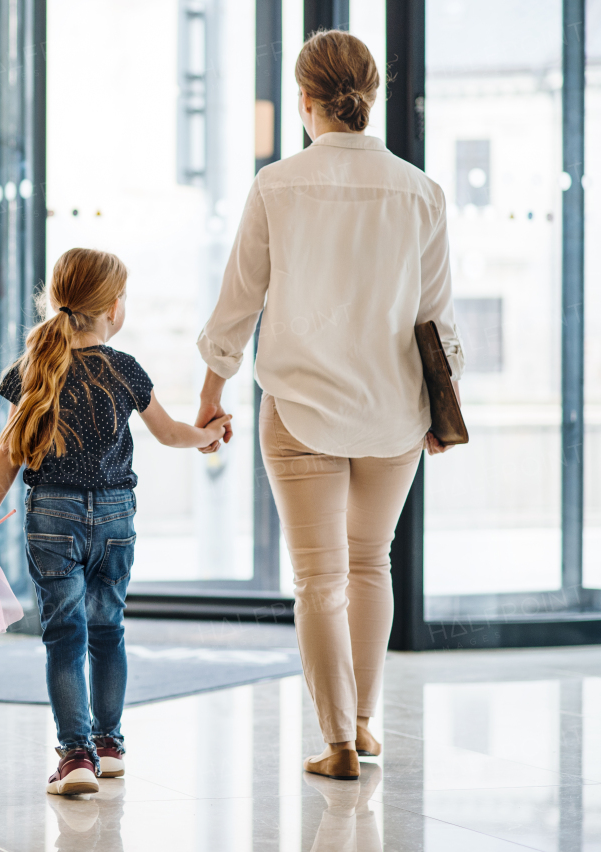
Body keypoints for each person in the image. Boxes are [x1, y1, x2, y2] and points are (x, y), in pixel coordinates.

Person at [195, 29, 464, 781]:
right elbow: (437, 318)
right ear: (370, 98)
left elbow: (237, 305)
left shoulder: (276, 185)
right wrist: (445, 411)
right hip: (395, 410)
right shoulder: (421, 191)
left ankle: (337, 742)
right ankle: (368, 725)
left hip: (298, 406)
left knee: (317, 578)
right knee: (369, 563)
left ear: (305, 100)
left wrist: (210, 399)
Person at [0, 247, 231, 795]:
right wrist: (210, 435)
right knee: (109, 629)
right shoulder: (124, 368)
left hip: (52, 516)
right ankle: (110, 743)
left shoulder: (34, 367)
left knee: (65, 635)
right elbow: (172, 432)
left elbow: (7, 456)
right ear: (111, 307)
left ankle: (76, 756)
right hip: (114, 517)